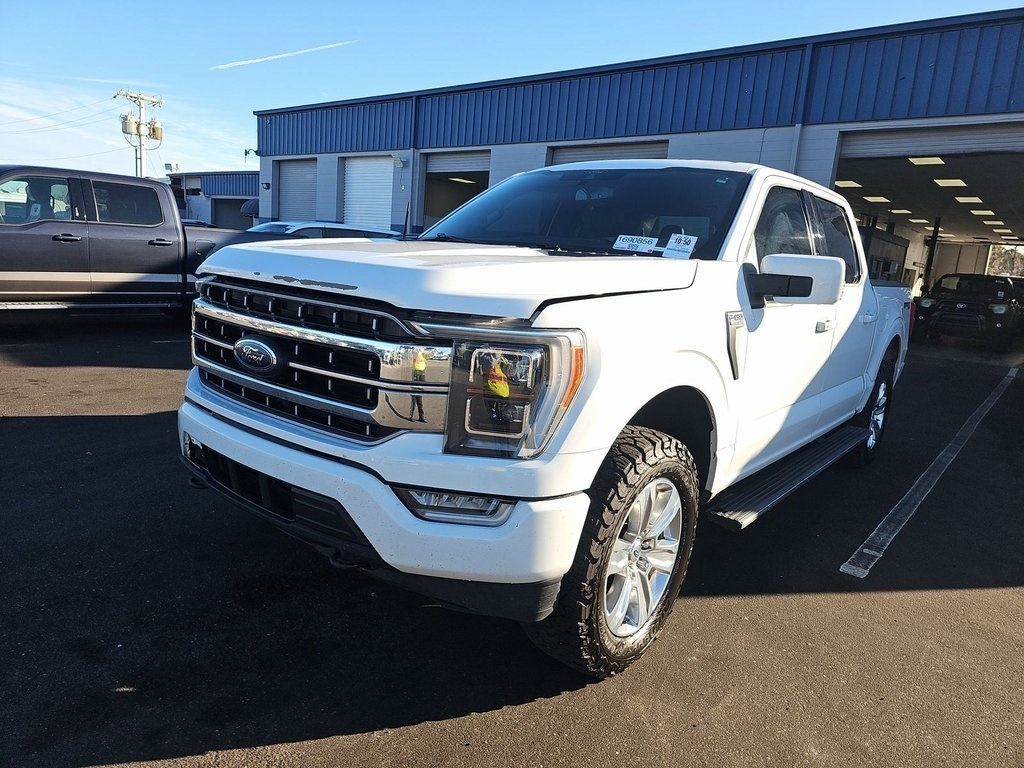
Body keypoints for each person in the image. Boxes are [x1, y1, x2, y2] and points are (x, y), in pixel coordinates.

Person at [409, 348, 427, 422]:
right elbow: (413, 357)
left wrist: (424, 351)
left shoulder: (423, 353)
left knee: (420, 395)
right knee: (414, 395)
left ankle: (421, 416)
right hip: (416, 372)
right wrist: (418, 350)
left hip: (422, 373)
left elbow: (429, 355)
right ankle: (411, 416)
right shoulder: (415, 351)